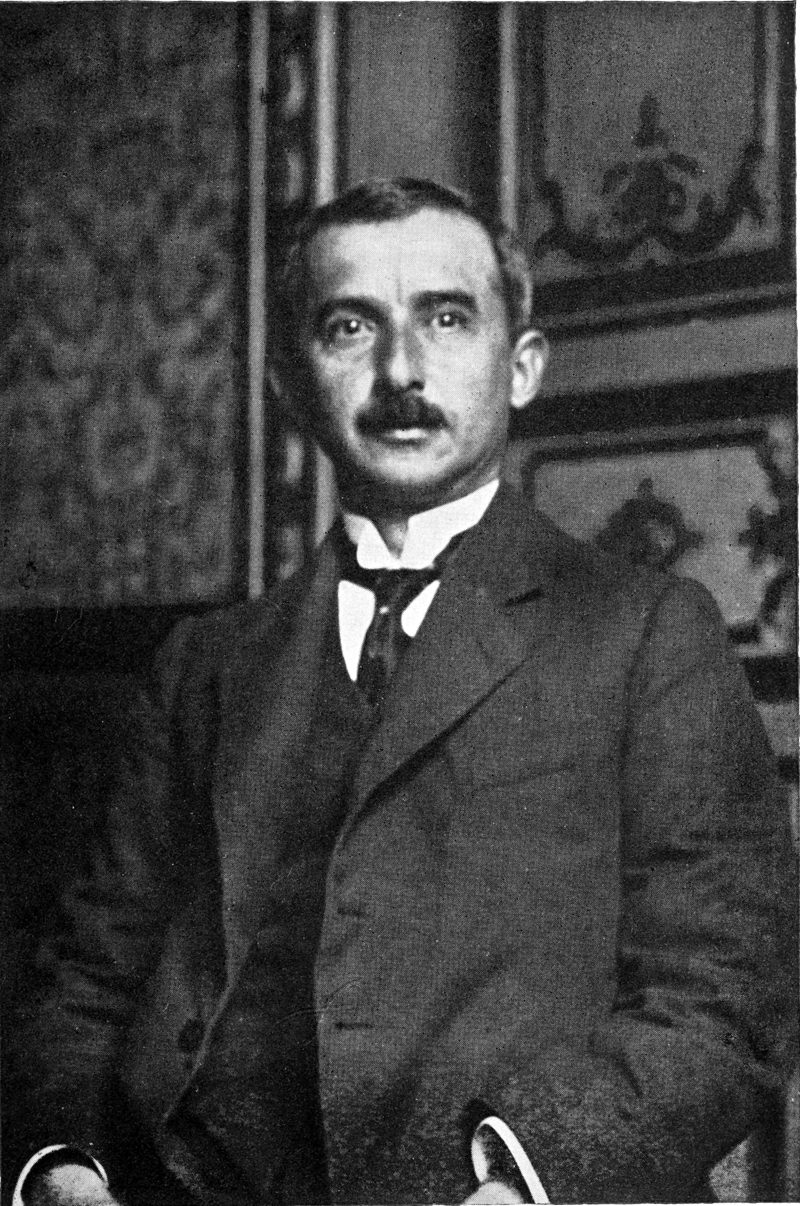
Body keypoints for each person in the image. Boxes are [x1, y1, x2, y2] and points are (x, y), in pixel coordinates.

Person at [8, 178, 797, 1206]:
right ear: (291, 382)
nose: (400, 371)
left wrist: (524, 1185)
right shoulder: (202, 664)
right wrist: (61, 1166)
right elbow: (85, 980)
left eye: (446, 318)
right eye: (350, 327)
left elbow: (722, 995)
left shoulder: (646, 632)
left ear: (521, 367)